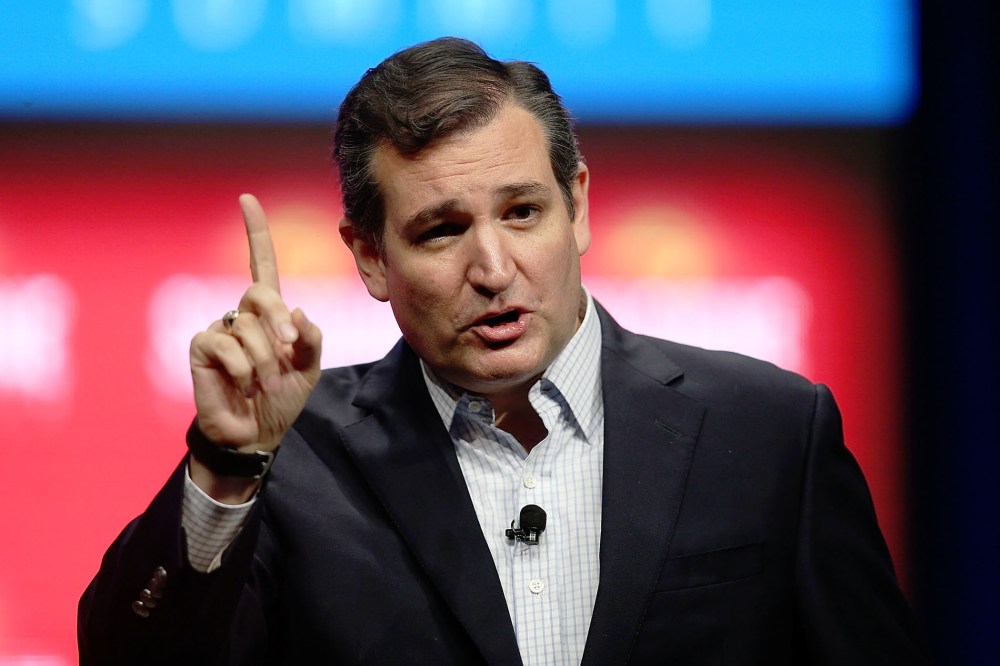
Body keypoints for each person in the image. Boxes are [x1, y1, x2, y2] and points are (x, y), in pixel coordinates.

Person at [78, 37, 927, 665]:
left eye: (522, 212)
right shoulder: (289, 460)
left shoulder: (770, 431)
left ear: (579, 205)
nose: (493, 269)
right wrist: (227, 461)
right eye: (442, 231)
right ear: (372, 256)